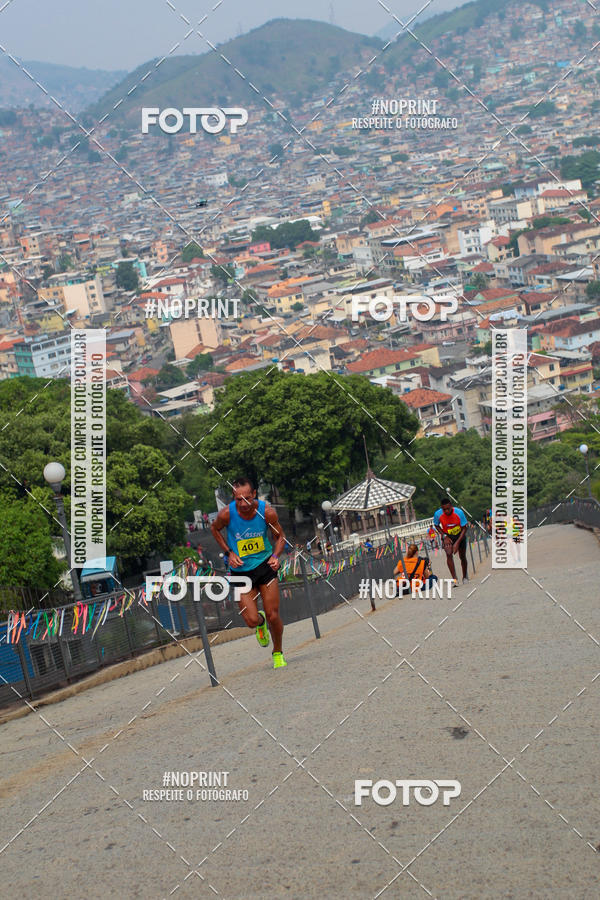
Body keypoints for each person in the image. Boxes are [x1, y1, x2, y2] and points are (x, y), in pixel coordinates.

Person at [211, 476, 288, 669]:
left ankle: (277, 652)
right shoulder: (226, 514)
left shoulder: (267, 512)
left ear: (254, 494)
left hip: (265, 566)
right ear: (233, 497)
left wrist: (276, 556)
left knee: (273, 615)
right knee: (252, 621)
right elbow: (214, 529)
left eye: (247, 498)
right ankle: (260, 624)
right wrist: (229, 552)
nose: (244, 504)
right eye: (239, 499)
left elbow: (280, 537)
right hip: (240, 572)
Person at [433, 496, 469, 584]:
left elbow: (465, 528)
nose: (446, 511)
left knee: (462, 556)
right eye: (444, 509)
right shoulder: (437, 514)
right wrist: (444, 536)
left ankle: (465, 576)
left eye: (448, 509)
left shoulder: (459, 512)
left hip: (460, 535)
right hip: (448, 536)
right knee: (449, 554)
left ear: (451, 506)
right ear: (441, 508)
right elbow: (436, 525)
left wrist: (457, 543)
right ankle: (454, 578)